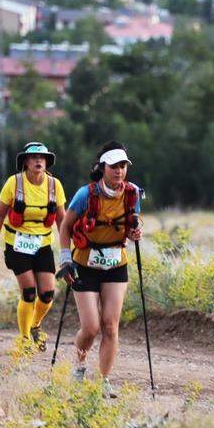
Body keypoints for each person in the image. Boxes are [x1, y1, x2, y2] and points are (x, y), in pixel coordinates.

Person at [56, 141, 142, 398]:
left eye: (123, 166)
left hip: (116, 263)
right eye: (114, 166)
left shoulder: (133, 193)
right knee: (91, 327)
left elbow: (130, 226)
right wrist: (64, 260)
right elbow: (65, 227)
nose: (119, 171)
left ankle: (103, 380)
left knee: (110, 325)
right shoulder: (86, 194)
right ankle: (80, 365)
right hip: (84, 263)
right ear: (102, 167)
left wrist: (136, 232)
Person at [0, 141, 67, 350]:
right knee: (29, 291)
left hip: (42, 244)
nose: (38, 161)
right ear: (25, 162)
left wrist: (68, 250)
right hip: (17, 245)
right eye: (33, 157)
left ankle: (35, 325)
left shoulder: (54, 185)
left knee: (48, 294)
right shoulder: (13, 183)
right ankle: (24, 340)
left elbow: (62, 219)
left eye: (42, 157)